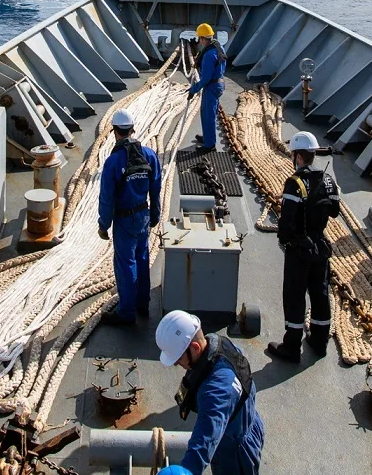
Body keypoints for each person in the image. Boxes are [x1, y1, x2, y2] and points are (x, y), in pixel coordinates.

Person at [156, 310, 265, 475]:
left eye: (178, 358)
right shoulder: (219, 345)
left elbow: (206, 438)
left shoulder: (216, 392)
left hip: (235, 454)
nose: (177, 364)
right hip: (245, 423)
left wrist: (187, 470)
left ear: (195, 347)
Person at [266, 131, 340, 363]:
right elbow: (335, 211)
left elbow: (286, 222)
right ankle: (319, 342)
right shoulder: (328, 180)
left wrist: (285, 239)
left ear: (298, 157)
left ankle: (292, 347)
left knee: (295, 295)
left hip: (299, 250)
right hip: (320, 247)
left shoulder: (295, 183)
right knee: (320, 293)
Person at [96, 108, 162, 326]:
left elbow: (107, 199)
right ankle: (142, 303)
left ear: (115, 131)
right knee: (142, 258)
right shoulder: (150, 155)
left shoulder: (113, 162)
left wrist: (103, 225)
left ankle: (126, 314)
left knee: (126, 264)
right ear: (133, 129)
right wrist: (155, 215)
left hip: (124, 221)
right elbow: (156, 188)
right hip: (143, 216)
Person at [187, 24, 226, 153]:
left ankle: (209, 145)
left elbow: (205, 79)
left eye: (199, 39)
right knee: (210, 114)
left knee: (208, 115)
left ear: (203, 39)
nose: (199, 42)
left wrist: (193, 90)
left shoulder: (209, 55)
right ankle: (208, 137)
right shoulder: (219, 48)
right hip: (219, 83)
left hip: (211, 87)